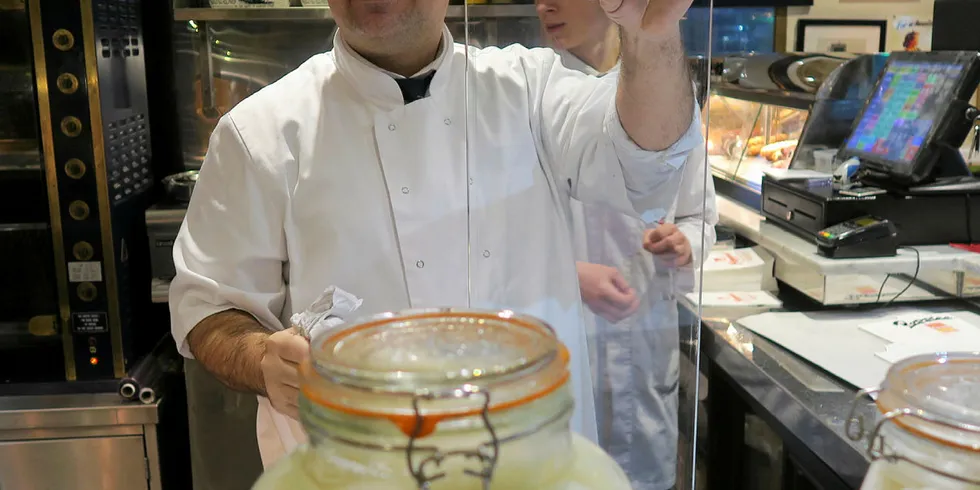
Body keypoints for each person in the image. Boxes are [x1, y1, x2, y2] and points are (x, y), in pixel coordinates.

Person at [169, 0, 702, 471]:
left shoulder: (531, 87)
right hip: (353, 471)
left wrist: (652, 36)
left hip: (531, 467)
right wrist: (262, 359)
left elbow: (646, 158)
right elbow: (207, 309)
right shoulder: (258, 131)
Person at [535, 0, 718, 488]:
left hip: (643, 345)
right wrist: (568, 274)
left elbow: (702, 215)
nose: (543, 4)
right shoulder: (528, 100)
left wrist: (685, 242)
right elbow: (490, 240)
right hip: (561, 346)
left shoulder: (666, 94)